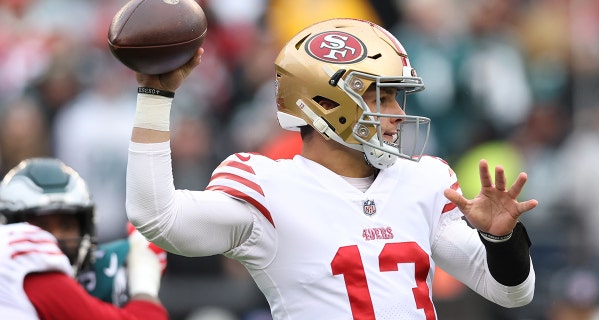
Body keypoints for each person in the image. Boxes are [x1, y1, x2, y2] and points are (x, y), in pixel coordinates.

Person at [126, 18, 538, 319]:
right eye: (382, 98)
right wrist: (155, 96)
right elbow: (158, 217)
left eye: (398, 98)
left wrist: (500, 239)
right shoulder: (269, 188)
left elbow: (513, 293)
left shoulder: (424, 180)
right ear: (325, 104)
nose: (397, 115)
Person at [0, 157, 168, 319]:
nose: (56, 238)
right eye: (42, 226)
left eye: (66, 226)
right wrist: (145, 280)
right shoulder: (32, 276)